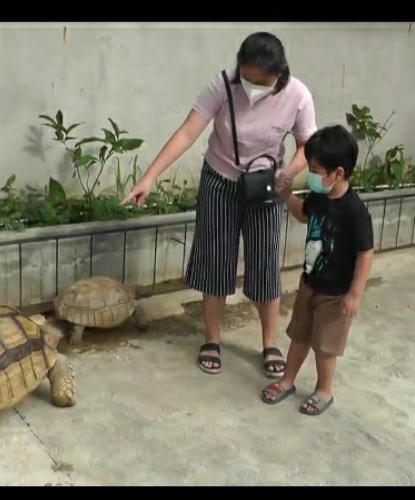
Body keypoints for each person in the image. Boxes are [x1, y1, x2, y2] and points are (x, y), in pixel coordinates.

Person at [120, 32, 318, 377]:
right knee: (216, 259)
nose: (253, 86)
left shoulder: (298, 95)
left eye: (262, 81)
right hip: (220, 180)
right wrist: (149, 176)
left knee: (265, 262)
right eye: (247, 77)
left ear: (279, 73)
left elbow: (307, 146)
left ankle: (270, 343)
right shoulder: (223, 85)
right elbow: (187, 132)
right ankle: (212, 339)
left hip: (267, 184)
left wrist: (288, 174)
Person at [261, 124, 374, 416]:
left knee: (325, 348)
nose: (310, 173)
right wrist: (287, 197)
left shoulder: (355, 212)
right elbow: (303, 214)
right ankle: (288, 380)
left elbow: (365, 254)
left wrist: (355, 294)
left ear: (337, 173)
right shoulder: (319, 196)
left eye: (314, 168)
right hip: (310, 283)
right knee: (299, 336)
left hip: (336, 295)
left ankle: (324, 389)